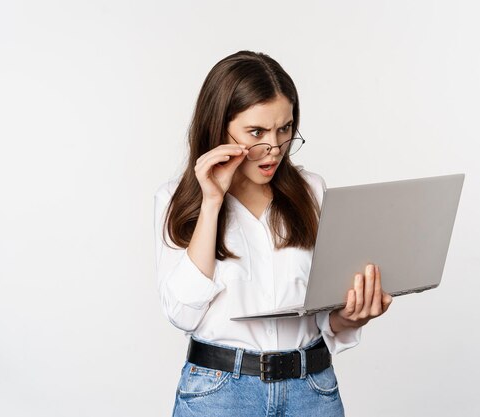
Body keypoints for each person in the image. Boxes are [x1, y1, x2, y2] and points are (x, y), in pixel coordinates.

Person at [154, 50, 393, 417]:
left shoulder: (311, 191)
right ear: (219, 128)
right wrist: (212, 202)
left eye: (285, 129)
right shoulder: (177, 199)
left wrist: (351, 317)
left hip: (311, 391)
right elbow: (183, 313)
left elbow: (320, 316)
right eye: (257, 132)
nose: (275, 148)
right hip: (219, 395)